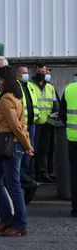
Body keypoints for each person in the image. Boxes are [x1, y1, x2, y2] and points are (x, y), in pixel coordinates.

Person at [0, 66, 33, 237]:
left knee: (13, 185)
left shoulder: (7, 99)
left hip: (11, 145)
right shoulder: (9, 97)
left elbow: (16, 126)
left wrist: (27, 145)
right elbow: (22, 124)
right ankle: (7, 219)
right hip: (6, 145)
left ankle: (20, 224)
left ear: (4, 80)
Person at [15, 65, 40, 204]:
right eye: (23, 73)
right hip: (21, 126)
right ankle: (27, 183)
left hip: (32, 124)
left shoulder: (30, 86)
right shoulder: (15, 86)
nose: (26, 75)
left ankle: (27, 182)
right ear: (17, 74)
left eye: (27, 72)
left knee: (28, 156)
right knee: (21, 155)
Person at [30, 63, 58, 183]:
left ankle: (43, 174)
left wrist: (55, 115)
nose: (41, 74)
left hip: (47, 123)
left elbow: (54, 104)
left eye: (43, 72)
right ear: (35, 72)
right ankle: (31, 175)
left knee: (44, 150)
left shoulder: (50, 87)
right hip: (35, 123)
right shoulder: (30, 85)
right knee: (32, 150)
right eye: (39, 72)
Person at [58, 73, 77, 217]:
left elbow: (62, 114)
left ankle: (76, 208)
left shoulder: (69, 89)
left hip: (73, 139)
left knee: (74, 175)